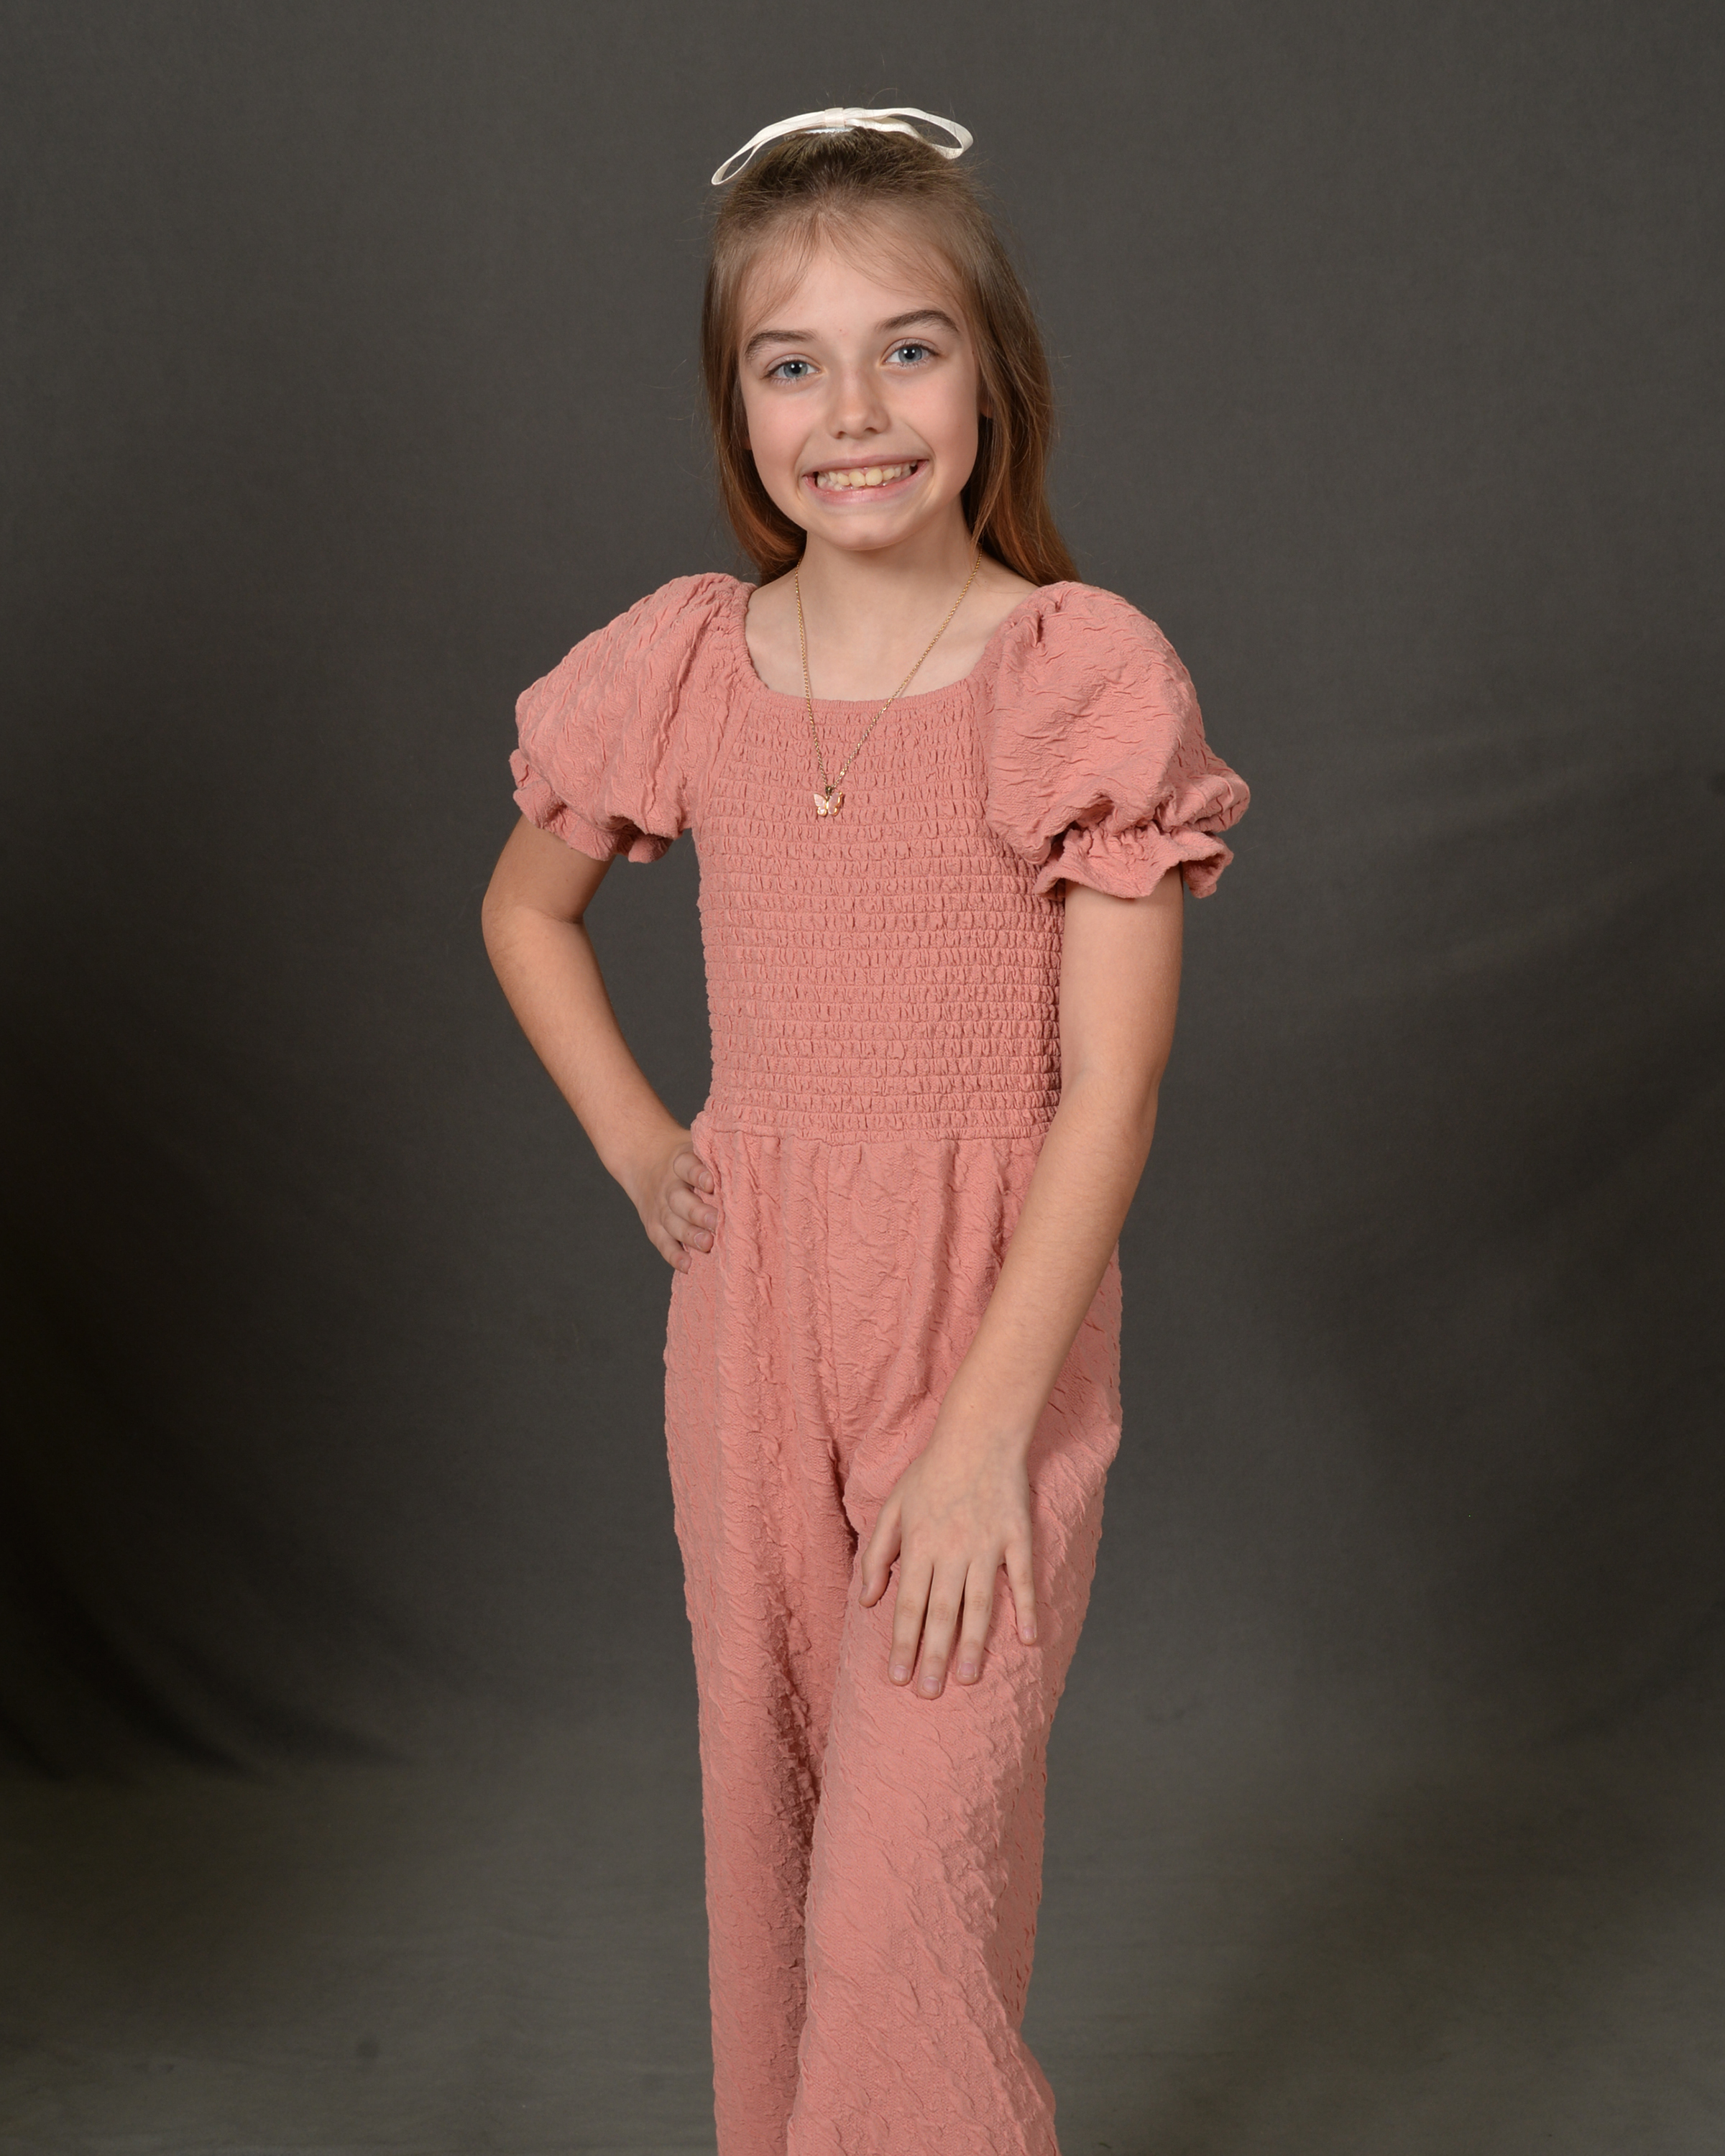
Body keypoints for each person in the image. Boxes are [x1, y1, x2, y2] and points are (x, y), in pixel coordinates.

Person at [482, 103, 1249, 2156]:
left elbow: (1113, 1092)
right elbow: (524, 909)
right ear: (737, 408)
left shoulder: (1077, 676)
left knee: (907, 1902)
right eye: (792, 365)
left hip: (985, 1340)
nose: (854, 414)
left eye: (909, 350)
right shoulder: (688, 664)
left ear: (994, 374)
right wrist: (644, 1142)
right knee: (783, 1844)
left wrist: (989, 1437)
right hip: (753, 1335)